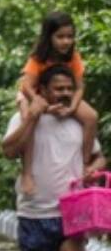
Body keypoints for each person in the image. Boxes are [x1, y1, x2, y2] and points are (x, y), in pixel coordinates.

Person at [1, 64, 105, 251]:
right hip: (34, 210)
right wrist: (32, 117)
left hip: (71, 211)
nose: (65, 93)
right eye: (58, 89)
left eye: (69, 88)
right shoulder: (22, 117)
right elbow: (8, 150)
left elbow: (98, 156)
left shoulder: (79, 121)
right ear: (44, 90)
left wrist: (93, 169)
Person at [16, 12, 99, 198]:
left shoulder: (73, 57)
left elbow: (79, 87)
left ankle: (84, 164)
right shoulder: (38, 58)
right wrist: (41, 105)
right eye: (60, 37)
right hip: (36, 94)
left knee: (91, 117)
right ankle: (27, 172)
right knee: (28, 117)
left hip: (64, 95)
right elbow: (26, 86)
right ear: (49, 37)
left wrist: (72, 107)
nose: (66, 41)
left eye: (69, 37)